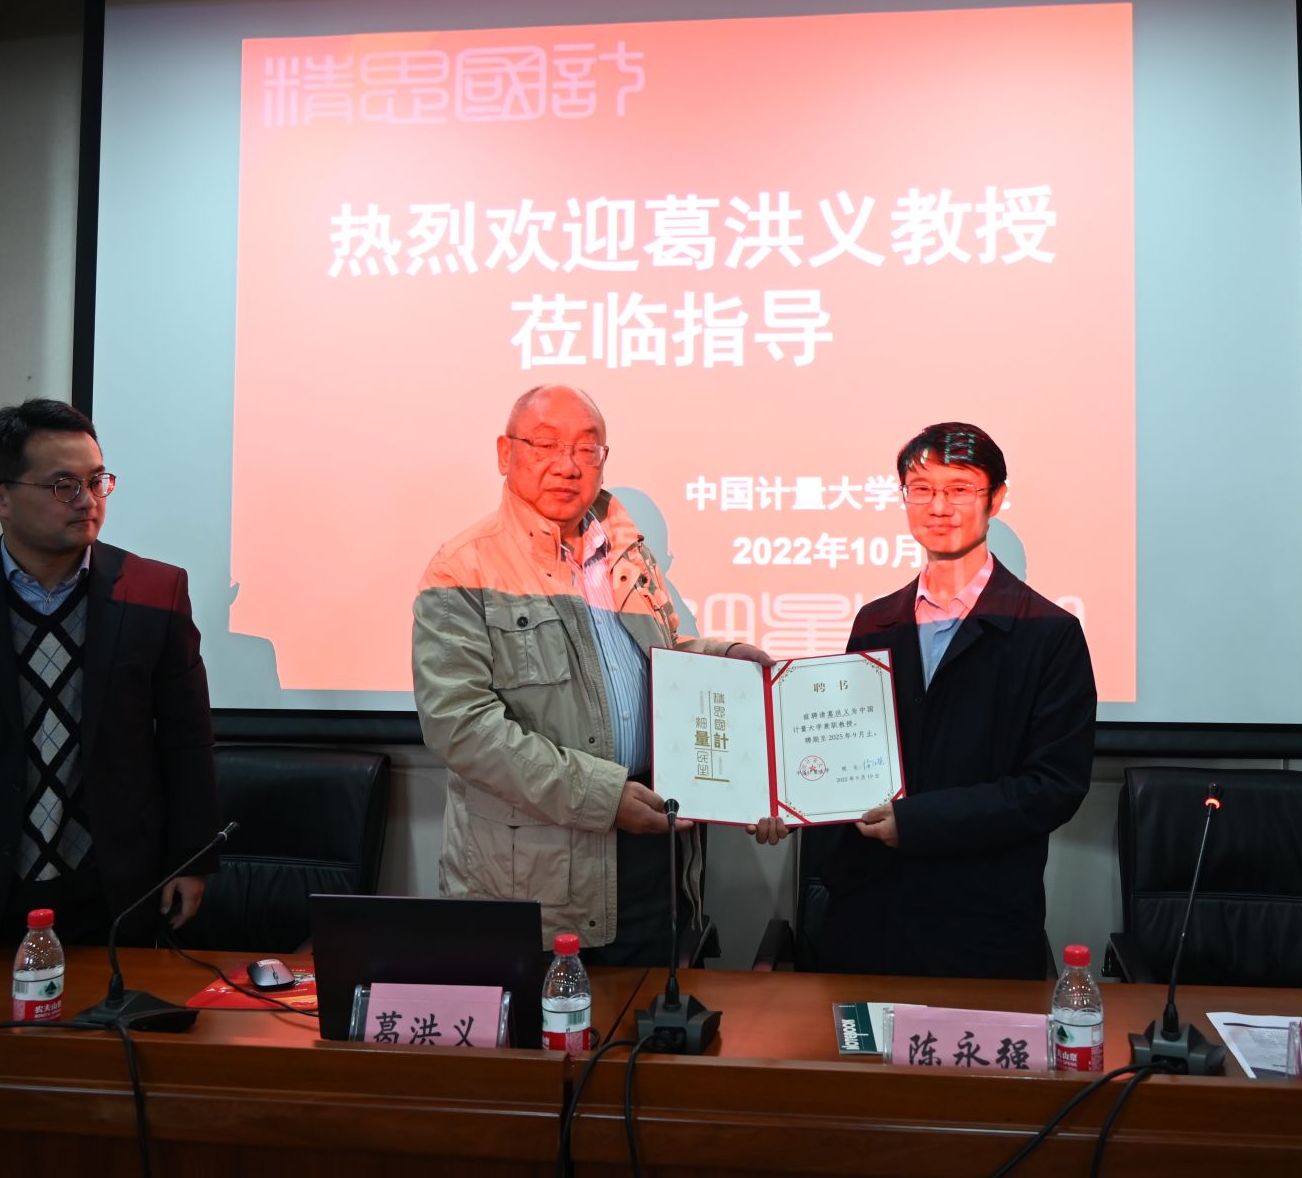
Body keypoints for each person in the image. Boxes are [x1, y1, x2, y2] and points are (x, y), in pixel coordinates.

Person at [412, 385, 769, 962]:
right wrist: (602, 797)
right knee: (556, 1019)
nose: (567, 465)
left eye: (586, 448)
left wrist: (721, 657)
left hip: (654, 839)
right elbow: (461, 727)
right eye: (546, 444)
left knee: (650, 1011)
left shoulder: (626, 551)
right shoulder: (463, 568)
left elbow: (656, 654)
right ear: (505, 453)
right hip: (537, 871)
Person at [0, 400, 219, 947]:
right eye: (63, 485)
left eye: (97, 481)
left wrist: (191, 858)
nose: (87, 501)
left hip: (113, 880)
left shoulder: (156, 592)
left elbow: (187, 738)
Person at [779, 421, 1097, 979]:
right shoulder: (875, 620)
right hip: (867, 920)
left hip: (978, 926)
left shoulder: (1049, 632)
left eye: (960, 488)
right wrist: (788, 801)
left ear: (996, 497)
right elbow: (845, 751)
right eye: (922, 489)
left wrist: (917, 821)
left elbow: (1053, 787)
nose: (939, 506)